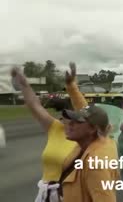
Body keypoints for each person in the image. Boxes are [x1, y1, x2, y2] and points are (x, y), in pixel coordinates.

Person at [11, 64, 80, 202]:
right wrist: (24, 84)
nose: (65, 118)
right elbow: (35, 105)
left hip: (69, 195)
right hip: (45, 194)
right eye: (64, 115)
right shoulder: (56, 127)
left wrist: (72, 85)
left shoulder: (86, 137)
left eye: (71, 115)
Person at [61, 105, 119, 202]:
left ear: (92, 129)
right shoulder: (90, 143)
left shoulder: (95, 164)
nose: (70, 124)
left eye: (77, 122)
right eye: (71, 120)